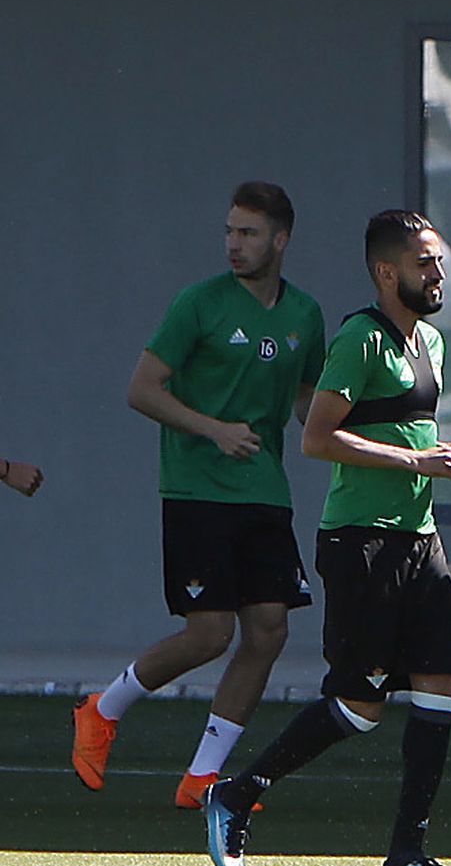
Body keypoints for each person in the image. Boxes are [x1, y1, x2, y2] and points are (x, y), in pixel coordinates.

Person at [204, 210, 451, 866]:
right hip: (362, 539)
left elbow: (412, 436)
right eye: (425, 262)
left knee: (444, 685)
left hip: (421, 540)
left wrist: (444, 456)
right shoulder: (361, 338)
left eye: (439, 260)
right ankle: (236, 792)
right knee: (360, 703)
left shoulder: (433, 344)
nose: (438, 272)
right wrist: (418, 462)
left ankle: (407, 856)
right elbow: (318, 438)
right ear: (388, 272)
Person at [72, 182, 324, 808]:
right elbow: (142, 389)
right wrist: (213, 430)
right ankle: (102, 710)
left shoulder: (305, 315)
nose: (235, 245)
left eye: (249, 233)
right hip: (196, 489)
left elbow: (305, 402)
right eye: (230, 232)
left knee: (268, 631)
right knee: (209, 633)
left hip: (265, 490)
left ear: (281, 240)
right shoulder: (199, 304)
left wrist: (355, 436)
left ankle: (203, 776)